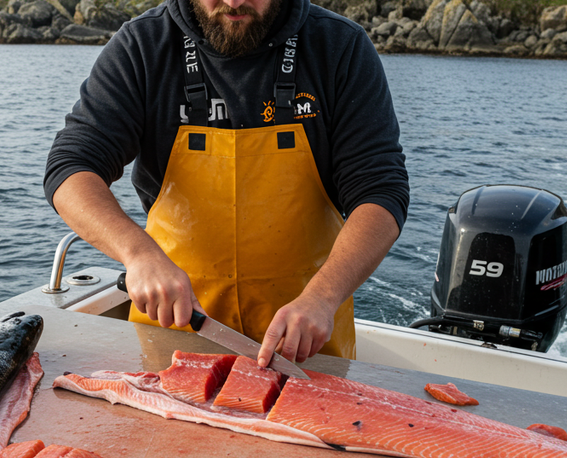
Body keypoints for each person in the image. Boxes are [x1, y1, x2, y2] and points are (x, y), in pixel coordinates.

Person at [44, 0, 408, 366]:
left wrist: (325, 296)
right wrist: (138, 255)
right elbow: (72, 165)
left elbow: (380, 190)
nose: (234, 2)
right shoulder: (143, 46)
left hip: (305, 344)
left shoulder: (340, 47)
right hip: (173, 338)